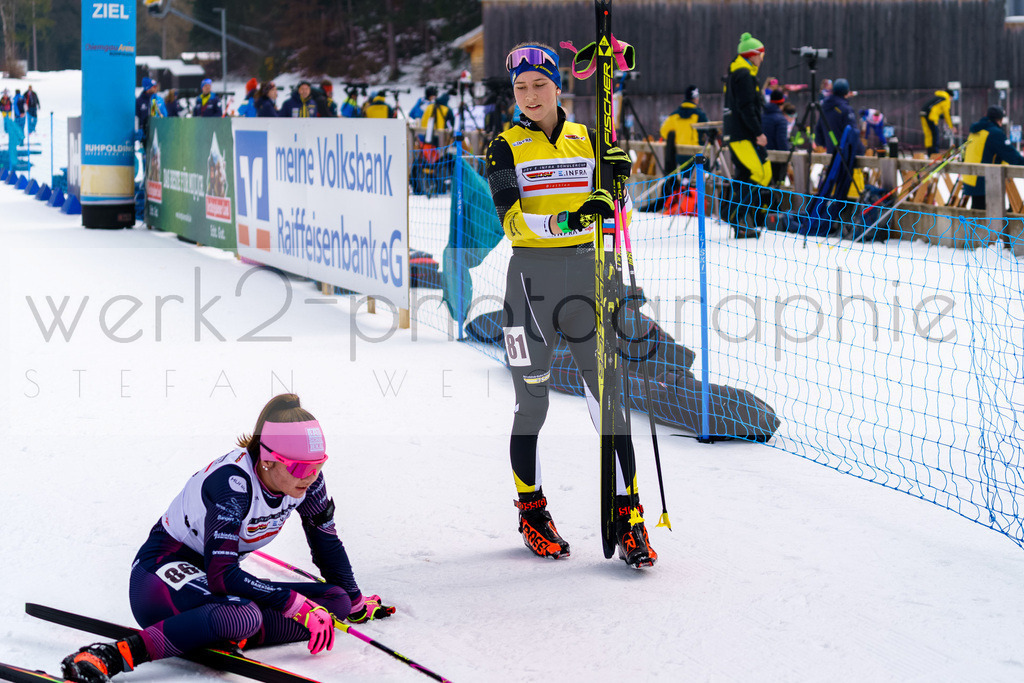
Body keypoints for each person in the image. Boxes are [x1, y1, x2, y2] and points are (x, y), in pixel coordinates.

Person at [59, 394, 395, 683]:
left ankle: (219, 629)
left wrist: (353, 602)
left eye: (318, 465)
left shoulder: (305, 482)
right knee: (244, 615)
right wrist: (290, 603)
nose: (309, 476)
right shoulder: (233, 483)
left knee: (332, 604)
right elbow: (222, 576)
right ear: (268, 459)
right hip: (162, 574)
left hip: (217, 583)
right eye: (298, 468)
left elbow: (326, 541)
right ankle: (111, 655)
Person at [484, 42, 657, 569]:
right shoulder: (504, 146)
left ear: (559, 86)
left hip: (587, 281)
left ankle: (628, 515)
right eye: (520, 88)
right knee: (532, 405)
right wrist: (570, 221)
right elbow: (511, 222)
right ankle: (531, 510)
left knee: (610, 402)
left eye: (540, 85)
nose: (530, 96)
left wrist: (616, 184)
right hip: (528, 288)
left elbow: (612, 215)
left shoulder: (589, 138)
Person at [723, 31, 771, 238]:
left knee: (744, 176)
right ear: (752, 54)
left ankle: (742, 221)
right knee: (761, 173)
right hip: (742, 135)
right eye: (761, 54)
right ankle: (735, 216)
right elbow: (746, 107)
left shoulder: (740, 72)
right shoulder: (743, 75)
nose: (762, 59)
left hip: (739, 134)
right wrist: (757, 132)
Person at [962, 105, 1024, 212]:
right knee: (991, 217)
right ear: (1000, 119)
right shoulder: (994, 133)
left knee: (978, 215)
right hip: (985, 182)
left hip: (971, 180)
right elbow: (1011, 155)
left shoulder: (976, 131)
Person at [659, 84, 708, 171]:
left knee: (684, 176)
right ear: (696, 97)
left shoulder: (674, 115)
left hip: (679, 154)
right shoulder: (699, 115)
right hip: (697, 154)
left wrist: (675, 138)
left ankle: (684, 183)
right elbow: (709, 131)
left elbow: (663, 131)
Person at [815, 78, 862, 155]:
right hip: (845, 154)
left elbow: (818, 132)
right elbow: (853, 133)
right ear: (846, 92)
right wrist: (860, 151)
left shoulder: (825, 108)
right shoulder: (846, 110)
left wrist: (827, 145)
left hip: (831, 154)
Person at [762, 89, 790, 185]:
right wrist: (787, 157)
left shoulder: (761, 116)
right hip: (776, 160)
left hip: (762, 156)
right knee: (777, 186)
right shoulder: (781, 119)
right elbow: (781, 140)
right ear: (782, 102)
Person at [920, 89, 952, 155]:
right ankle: (935, 153)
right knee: (935, 134)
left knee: (928, 134)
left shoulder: (939, 97)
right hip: (931, 117)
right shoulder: (945, 99)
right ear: (950, 96)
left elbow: (935, 110)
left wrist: (941, 117)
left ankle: (929, 152)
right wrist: (951, 126)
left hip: (923, 115)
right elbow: (947, 114)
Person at [135, 78, 165, 143]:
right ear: (148, 88)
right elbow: (137, 118)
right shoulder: (139, 101)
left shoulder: (158, 100)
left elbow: (163, 115)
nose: (156, 88)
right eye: (154, 87)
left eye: (156, 86)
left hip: (157, 133)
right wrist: (139, 130)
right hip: (144, 135)